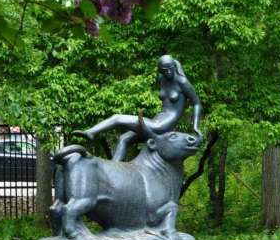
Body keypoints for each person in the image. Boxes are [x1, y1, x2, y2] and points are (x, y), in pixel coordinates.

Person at [74, 54, 202, 161]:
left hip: (164, 124)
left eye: (170, 69)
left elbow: (196, 103)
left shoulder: (182, 82)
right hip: (157, 119)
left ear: (174, 66)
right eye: (164, 70)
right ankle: (114, 168)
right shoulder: (162, 79)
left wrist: (195, 127)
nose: (167, 72)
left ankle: (91, 132)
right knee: (124, 139)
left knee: (117, 118)